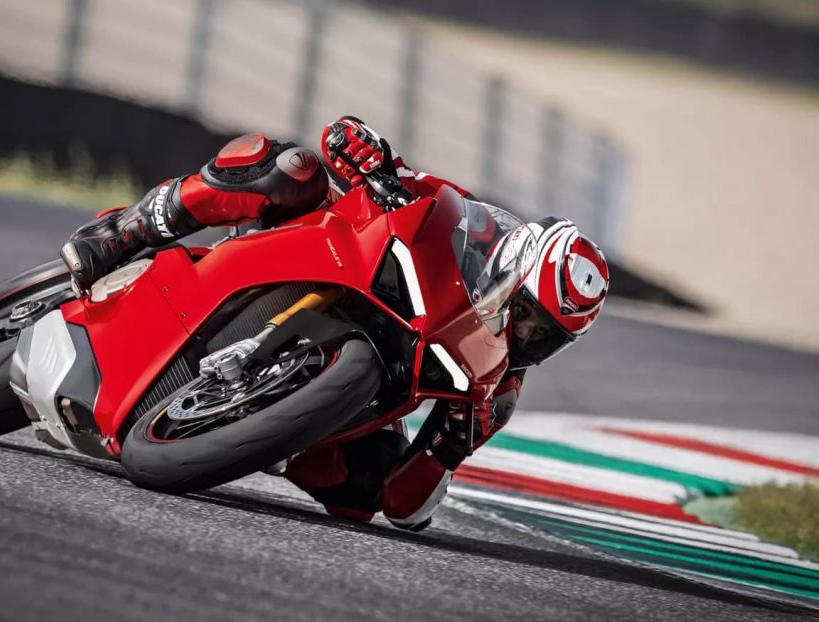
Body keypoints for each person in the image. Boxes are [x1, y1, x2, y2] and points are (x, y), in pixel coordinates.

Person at [60, 116, 609, 531]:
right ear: (514, 272)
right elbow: (342, 137)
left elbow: (406, 510)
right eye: (531, 317)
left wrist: (447, 451)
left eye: (548, 338)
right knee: (287, 166)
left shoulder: (499, 389)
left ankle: (265, 422)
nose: (528, 338)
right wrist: (373, 160)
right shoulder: (468, 221)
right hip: (333, 250)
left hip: (376, 374)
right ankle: (129, 231)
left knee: (362, 496)